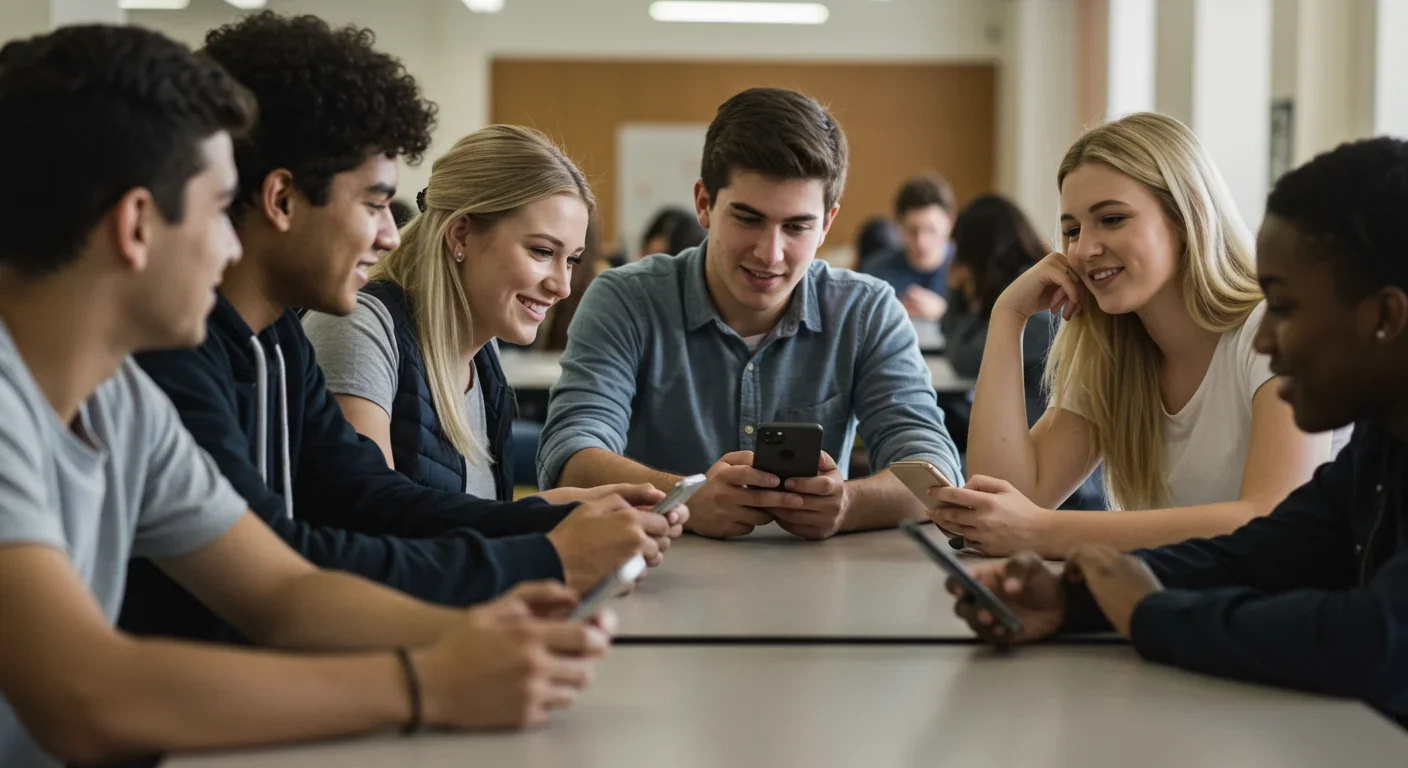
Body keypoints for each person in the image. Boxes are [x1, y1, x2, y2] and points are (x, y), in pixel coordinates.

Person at [0, 25, 618, 768]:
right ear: (137, 225)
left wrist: (481, 632)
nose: (233, 245)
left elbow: (283, 589)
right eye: (217, 209)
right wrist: (426, 681)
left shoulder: (124, 400)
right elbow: (86, 698)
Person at [121, 13, 679, 646]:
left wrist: (536, 521)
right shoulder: (176, 356)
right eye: (374, 203)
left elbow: (368, 496)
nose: (391, 233)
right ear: (280, 200)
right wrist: (543, 557)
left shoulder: (276, 341)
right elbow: (288, 565)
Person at [949, 136, 1408, 724]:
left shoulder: (1251, 341)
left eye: (1286, 310)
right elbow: (1270, 550)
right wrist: (1072, 600)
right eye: (1071, 229)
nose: (1270, 339)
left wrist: (1145, 610)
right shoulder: (1381, 444)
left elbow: (1371, 639)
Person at [539, 87, 963, 541]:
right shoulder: (625, 299)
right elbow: (570, 458)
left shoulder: (867, 311)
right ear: (704, 203)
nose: (770, 253)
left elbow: (935, 470)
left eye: (797, 226)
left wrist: (849, 506)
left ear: (827, 224)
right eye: (747, 218)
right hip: (657, 580)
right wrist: (686, 498)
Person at [938, 113, 1335, 557]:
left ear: (1186, 218)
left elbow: (1271, 520)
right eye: (1072, 230)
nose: (1083, 249)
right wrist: (1007, 317)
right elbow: (1002, 502)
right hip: (1182, 612)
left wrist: (1042, 531)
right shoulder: (1114, 354)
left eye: (1111, 219)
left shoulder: (1272, 331)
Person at [302, 125, 601, 499]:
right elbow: (371, 520)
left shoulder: (483, 360)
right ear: (460, 234)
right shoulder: (359, 327)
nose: (562, 286)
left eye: (572, 260)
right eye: (542, 252)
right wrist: (536, 518)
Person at [859, 172, 957, 321]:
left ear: (950, 221)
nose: (921, 242)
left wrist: (945, 313)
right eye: (912, 231)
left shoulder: (968, 271)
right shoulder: (875, 272)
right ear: (898, 225)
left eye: (931, 230)